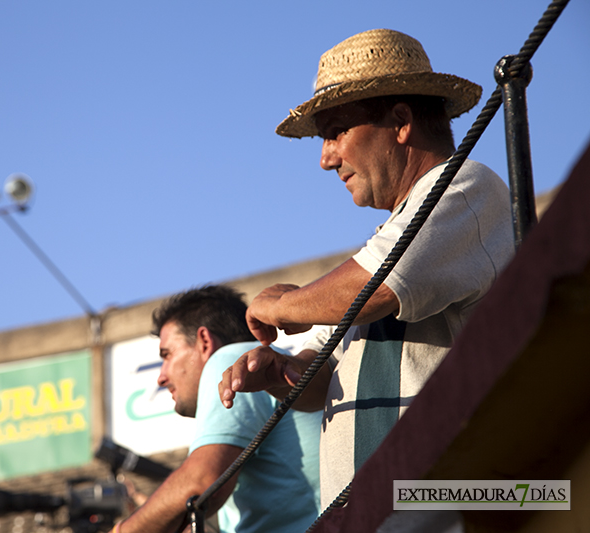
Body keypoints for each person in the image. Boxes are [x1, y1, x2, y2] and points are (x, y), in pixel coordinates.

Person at [218, 29, 515, 508]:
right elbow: (321, 379)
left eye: (336, 131)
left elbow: (370, 290)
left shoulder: (462, 187)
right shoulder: (400, 233)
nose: (325, 158)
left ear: (400, 121)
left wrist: (282, 305)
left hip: (447, 500)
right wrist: (280, 372)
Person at [116, 285, 322, 533]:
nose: (161, 377)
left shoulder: (231, 358)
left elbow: (201, 483)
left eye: (167, 354)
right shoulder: (264, 368)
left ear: (204, 341)